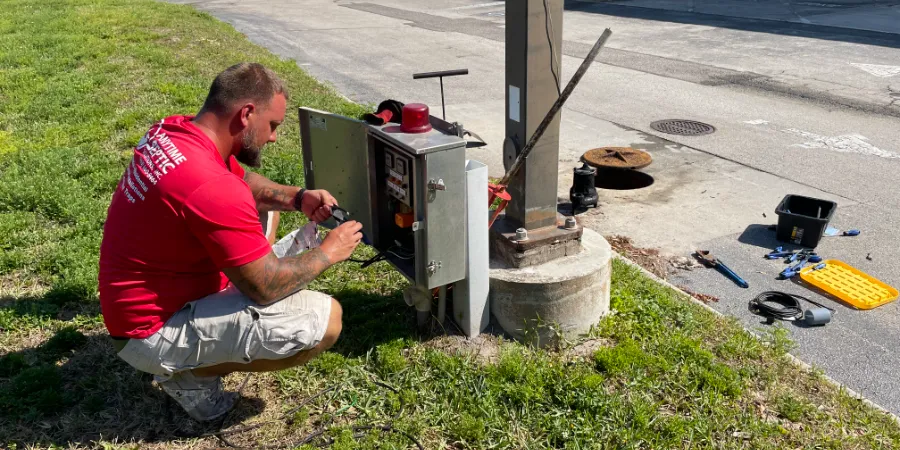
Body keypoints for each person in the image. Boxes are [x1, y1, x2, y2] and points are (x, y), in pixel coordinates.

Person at [98, 63, 363, 421]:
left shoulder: (176, 130)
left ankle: (203, 341)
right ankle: (189, 377)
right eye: (273, 126)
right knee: (326, 321)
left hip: (145, 298)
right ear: (246, 114)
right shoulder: (208, 186)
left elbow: (243, 183)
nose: (273, 138)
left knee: (266, 208)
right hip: (147, 333)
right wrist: (328, 252)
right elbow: (265, 288)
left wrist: (298, 198)